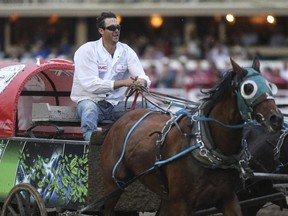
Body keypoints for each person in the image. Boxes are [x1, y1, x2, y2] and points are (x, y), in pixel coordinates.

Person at [70, 12, 151, 141]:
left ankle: (150, 142)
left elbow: (143, 76)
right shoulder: (86, 50)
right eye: (112, 28)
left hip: (115, 105)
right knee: (89, 109)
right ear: (101, 31)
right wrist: (124, 83)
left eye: (118, 27)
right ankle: (91, 144)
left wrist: (142, 82)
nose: (116, 31)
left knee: (150, 108)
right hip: (91, 100)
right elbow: (91, 85)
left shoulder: (127, 50)